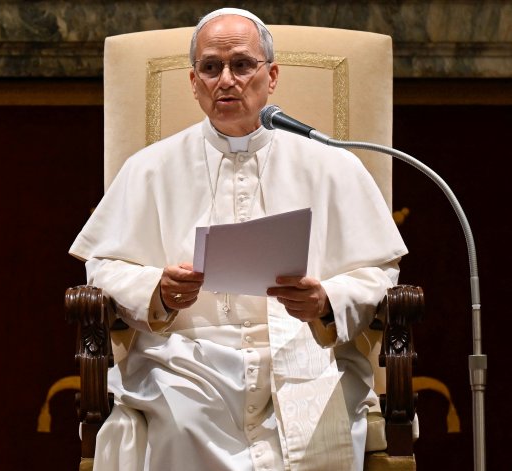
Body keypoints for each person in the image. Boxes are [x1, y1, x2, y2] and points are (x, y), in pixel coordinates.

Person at [70, 8, 407, 471]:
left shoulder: (333, 164)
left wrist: (327, 300)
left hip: (305, 354)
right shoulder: (150, 168)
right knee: (180, 426)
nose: (226, 80)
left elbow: (380, 271)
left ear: (271, 76)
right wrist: (158, 291)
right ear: (193, 82)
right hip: (187, 363)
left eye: (242, 65)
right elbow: (102, 267)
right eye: (211, 67)